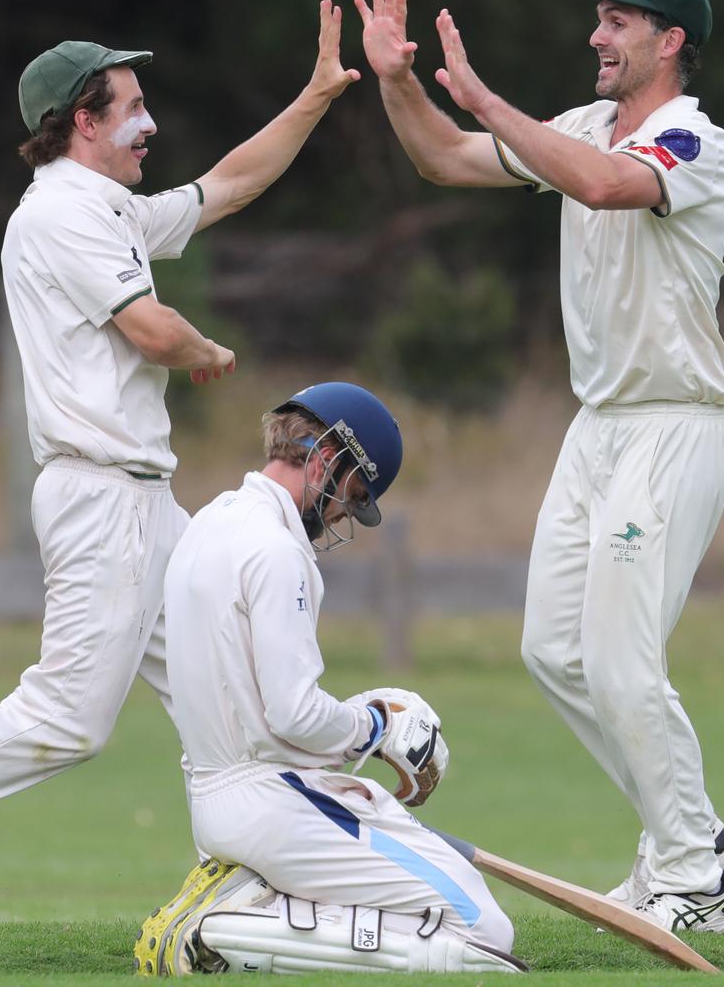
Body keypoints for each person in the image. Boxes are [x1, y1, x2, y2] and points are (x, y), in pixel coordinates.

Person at [355, 0, 724, 934]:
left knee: (620, 662)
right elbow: (445, 158)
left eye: (619, 23)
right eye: (599, 21)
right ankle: (686, 842)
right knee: (553, 651)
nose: (597, 37)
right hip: (597, 427)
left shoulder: (695, 138)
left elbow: (610, 185)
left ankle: (696, 877)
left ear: (672, 42)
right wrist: (400, 81)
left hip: (674, 422)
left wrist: (486, 95)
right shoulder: (575, 125)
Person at [0, 1, 361, 802]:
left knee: (227, 687)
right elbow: (154, 333)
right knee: (65, 721)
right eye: (132, 108)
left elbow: (227, 186)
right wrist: (210, 352)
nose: (149, 124)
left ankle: (278, 859)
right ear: (83, 123)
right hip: (102, 498)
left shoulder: (109, 208)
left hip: (144, 504)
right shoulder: (60, 213)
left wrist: (316, 96)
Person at [133, 382, 526, 977]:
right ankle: (226, 923)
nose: (344, 512)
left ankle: (257, 900)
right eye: (353, 492)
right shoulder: (276, 550)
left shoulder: (209, 522)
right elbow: (293, 714)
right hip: (273, 800)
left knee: (446, 889)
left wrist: (361, 732)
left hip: (218, 794)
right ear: (326, 457)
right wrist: (376, 725)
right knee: (483, 929)